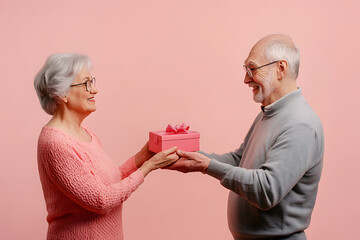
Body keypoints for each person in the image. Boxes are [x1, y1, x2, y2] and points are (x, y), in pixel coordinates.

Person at [167, 34, 324, 240]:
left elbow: (267, 190)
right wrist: (190, 156)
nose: (246, 79)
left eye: (252, 68)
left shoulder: (300, 124)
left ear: (281, 69)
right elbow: (241, 160)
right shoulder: (269, 112)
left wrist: (207, 166)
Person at [34, 53, 179, 240]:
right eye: (86, 83)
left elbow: (110, 182)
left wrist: (142, 156)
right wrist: (148, 167)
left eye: (92, 81)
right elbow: (101, 200)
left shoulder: (86, 132)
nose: (94, 90)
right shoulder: (55, 144)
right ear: (62, 94)